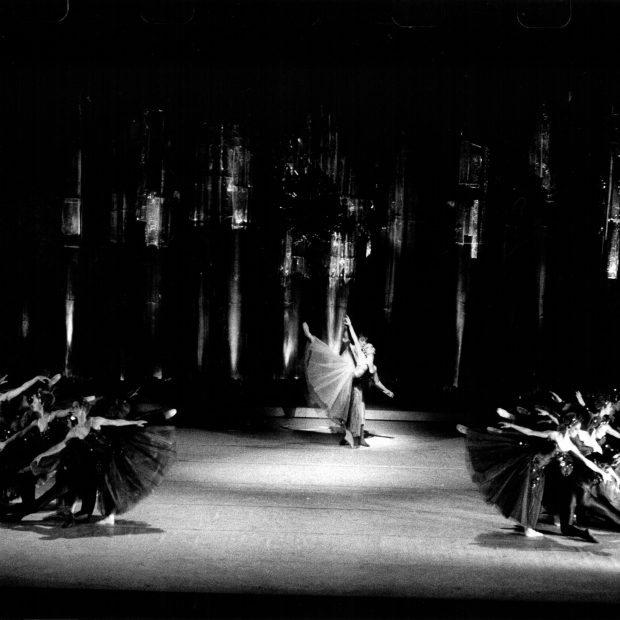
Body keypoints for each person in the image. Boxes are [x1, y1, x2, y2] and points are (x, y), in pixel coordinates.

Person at [303, 315, 394, 448]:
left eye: (372, 347)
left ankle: (360, 437)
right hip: (347, 378)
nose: (371, 348)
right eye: (369, 346)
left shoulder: (373, 367)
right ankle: (311, 337)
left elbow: (376, 381)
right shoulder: (361, 354)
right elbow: (356, 340)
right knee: (330, 357)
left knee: (360, 412)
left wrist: (387, 390)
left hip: (356, 387)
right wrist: (350, 325)